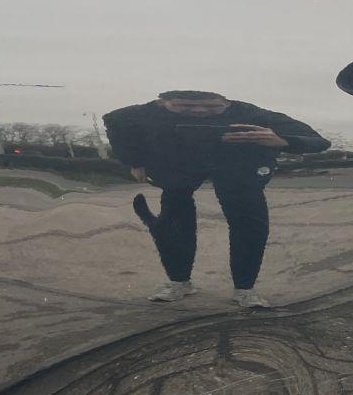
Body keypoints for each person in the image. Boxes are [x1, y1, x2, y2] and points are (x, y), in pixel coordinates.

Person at [103, 90, 330, 307]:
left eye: (212, 107)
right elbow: (114, 121)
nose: (200, 111)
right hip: (178, 167)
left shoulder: (250, 113)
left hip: (238, 168)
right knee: (174, 221)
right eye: (185, 107)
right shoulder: (144, 113)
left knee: (249, 224)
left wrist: (282, 140)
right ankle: (178, 281)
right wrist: (134, 161)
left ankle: (245, 288)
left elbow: (318, 141)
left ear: (227, 102)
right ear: (162, 104)